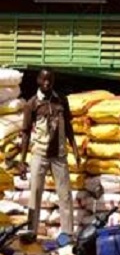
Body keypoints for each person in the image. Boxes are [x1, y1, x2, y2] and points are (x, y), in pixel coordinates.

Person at [20, 69, 80, 235]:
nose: (47, 83)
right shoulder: (31, 104)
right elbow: (25, 133)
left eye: (50, 80)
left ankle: (67, 233)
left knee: (65, 195)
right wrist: (22, 161)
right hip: (39, 153)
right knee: (35, 194)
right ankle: (31, 232)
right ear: (38, 80)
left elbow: (68, 126)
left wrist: (74, 149)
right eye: (44, 80)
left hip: (59, 156)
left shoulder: (61, 100)